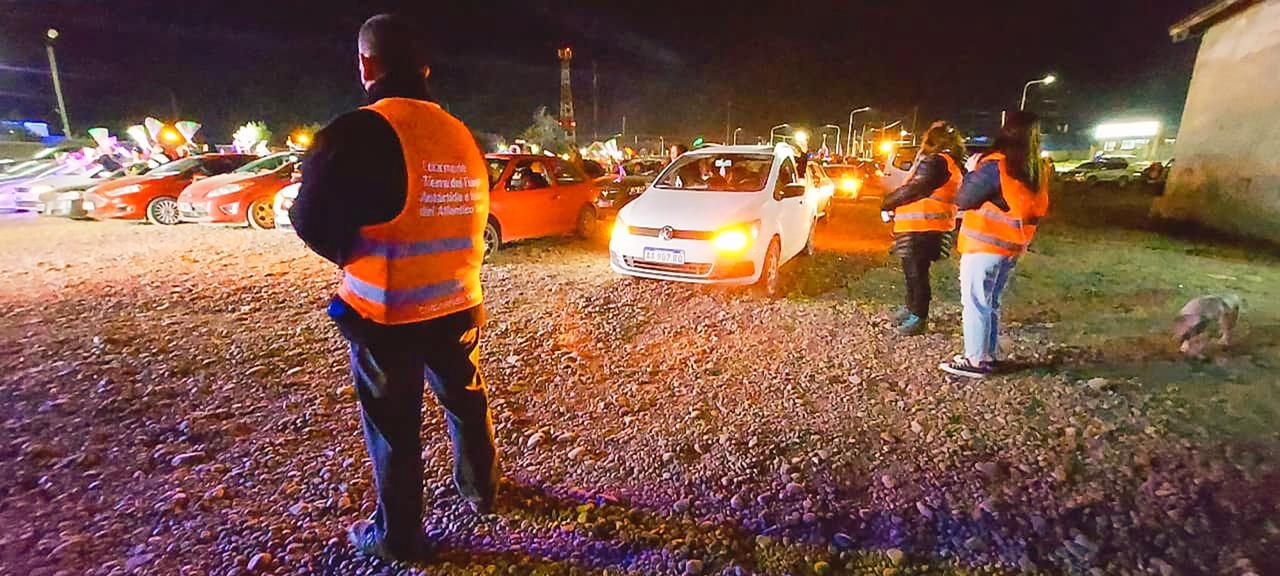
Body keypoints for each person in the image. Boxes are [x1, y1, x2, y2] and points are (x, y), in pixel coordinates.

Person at [289, 14, 499, 562]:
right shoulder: (460, 134)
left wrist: (350, 250)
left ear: (366, 65)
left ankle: (399, 537)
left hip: (387, 312)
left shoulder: (354, 133)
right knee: (465, 399)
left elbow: (310, 218)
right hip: (456, 302)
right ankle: (483, 489)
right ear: (424, 69)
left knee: (394, 426)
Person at [939, 111, 1050, 378]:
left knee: (976, 302)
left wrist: (971, 169)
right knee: (990, 302)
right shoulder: (1034, 168)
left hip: (984, 246)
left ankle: (975, 360)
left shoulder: (996, 165)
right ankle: (986, 354)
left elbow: (964, 199)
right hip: (1011, 247)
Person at [879, 121, 966, 335]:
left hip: (922, 227)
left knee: (916, 273)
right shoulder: (951, 162)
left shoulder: (936, 162)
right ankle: (911, 309)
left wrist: (887, 203)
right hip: (929, 226)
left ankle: (918, 317)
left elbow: (913, 189)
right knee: (914, 272)